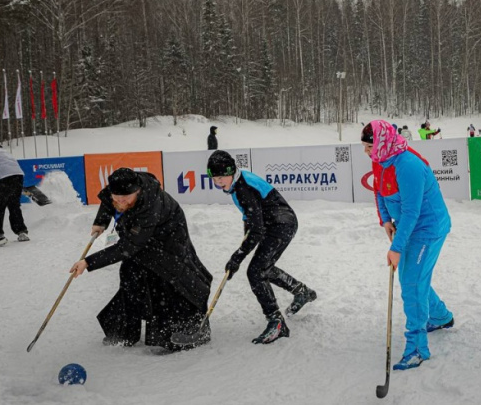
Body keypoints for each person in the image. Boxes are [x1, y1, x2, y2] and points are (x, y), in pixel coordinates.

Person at [69, 168, 213, 352]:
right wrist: (101, 221)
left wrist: (88, 262)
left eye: (126, 198)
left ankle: (184, 332)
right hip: (140, 238)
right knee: (131, 276)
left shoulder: (150, 207)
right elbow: (108, 199)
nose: (120, 202)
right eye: (117, 198)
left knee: (168, 281)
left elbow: (128, 247)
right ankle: (123, 331)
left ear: (137, 191)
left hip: (167, 241)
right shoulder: (120, 189)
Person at [361, 120, 454, 370]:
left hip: (427, 228)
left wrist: (396, 248)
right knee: (413, 278)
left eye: (370, 146)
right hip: (406, 225)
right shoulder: (380, 158)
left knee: (411, 282)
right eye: (364, 147)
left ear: (381, 142)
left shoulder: (409, 165)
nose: (367, 152)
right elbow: (378, 191)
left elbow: (413, 211)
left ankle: (416, 348)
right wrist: (385, 221)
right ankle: (440, 316)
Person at [207, 150, 317, 344]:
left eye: (222, 177)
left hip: (281, 224)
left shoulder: (242, 189)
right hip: (275, 223)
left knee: (256, 271)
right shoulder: (236, 184)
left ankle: (276, 322)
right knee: (262, 266)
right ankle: (301, 291)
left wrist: (238, 257)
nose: (219, 181)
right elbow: (250, 221)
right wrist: (243, 247)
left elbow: (256, 228)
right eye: (215, 178)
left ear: (232, 171)